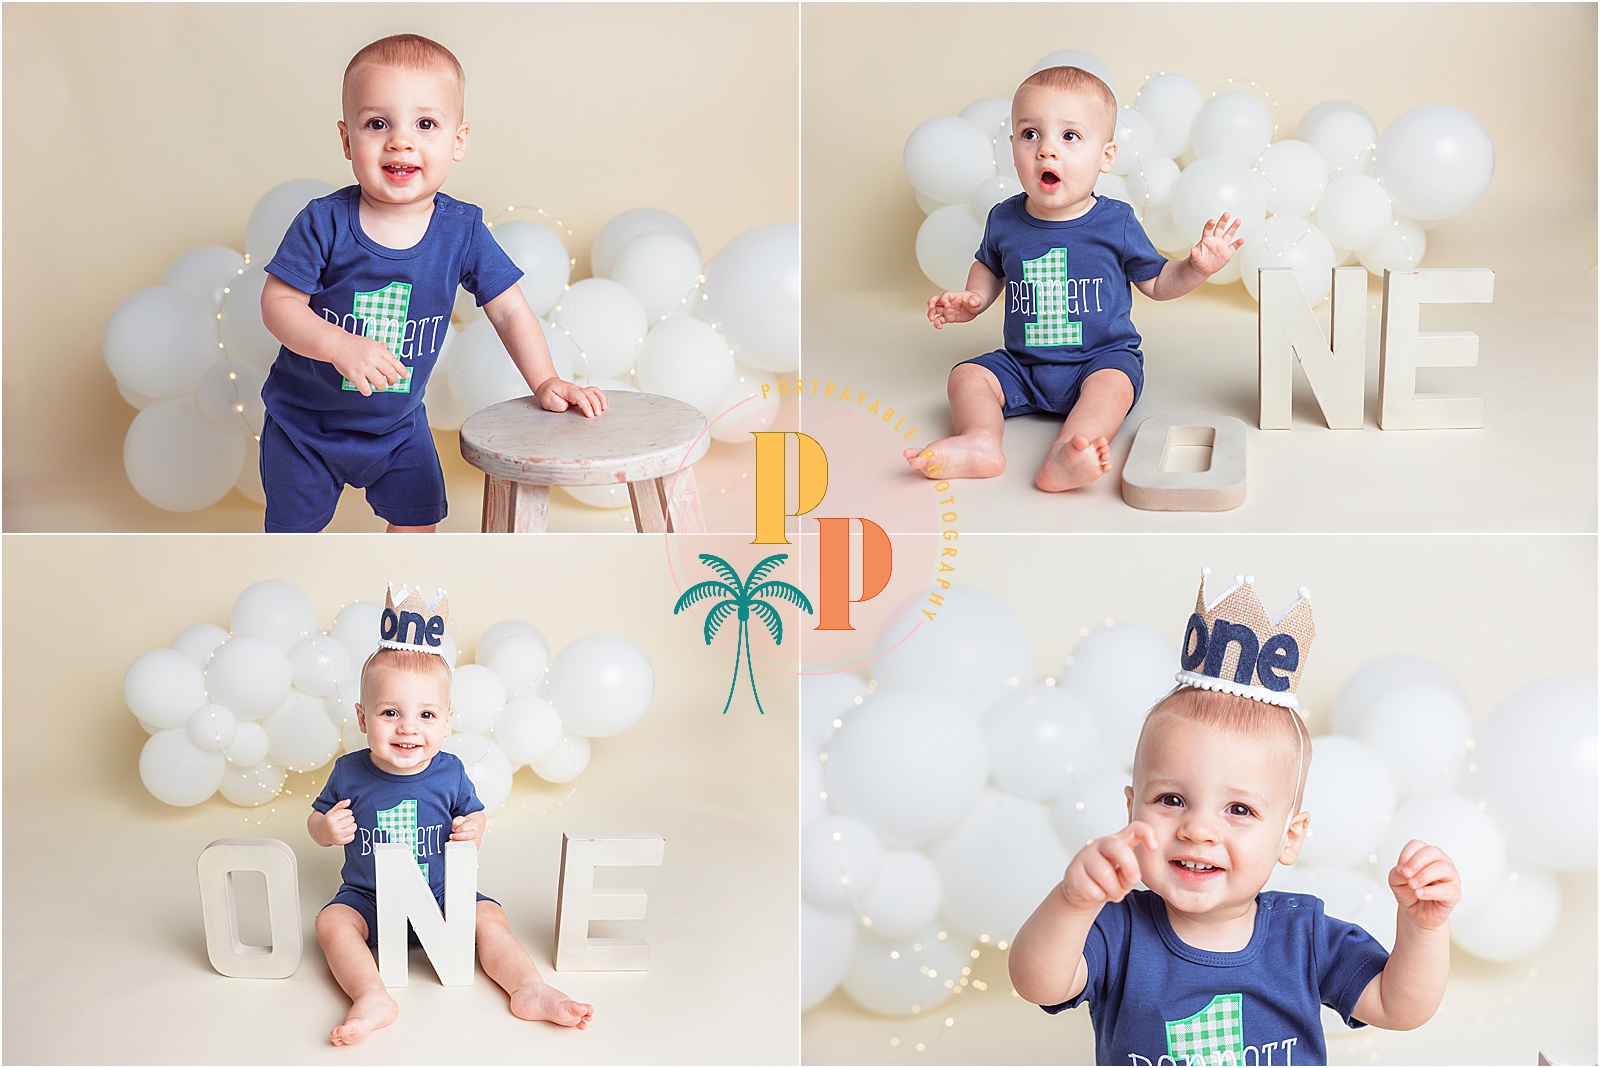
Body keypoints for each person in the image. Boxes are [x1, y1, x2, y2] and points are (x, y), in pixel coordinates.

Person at [1009, 572, 1459, 1063]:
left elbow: (1399, 1006)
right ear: (1130, 809)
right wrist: (1073, 902)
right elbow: (1040, 985)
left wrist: (1423, 930)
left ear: (1289, 838)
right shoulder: (1118, 928)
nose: (1197, 830)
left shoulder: (1301, 935)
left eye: (1239, 809)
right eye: (1171, 800)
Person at [260, 34, 605, 532]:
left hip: (397, 428)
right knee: (292, 543)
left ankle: (403, 611)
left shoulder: (460, 230)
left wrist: (546, 380)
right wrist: (339, 345)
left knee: (419, 532)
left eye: (425, 124)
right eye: (377, 124)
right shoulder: (324, 223)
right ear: (346, 139)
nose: (401, 141)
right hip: (305, 427)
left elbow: (509, 311)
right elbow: (278, 303)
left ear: (458, 140)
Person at [906, 65, 1242, 492]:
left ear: (1106, 155)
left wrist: (1195, 268)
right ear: (1013, 148)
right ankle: (979, 441)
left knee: (1112, 389)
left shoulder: (1115, 222)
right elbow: (989, 265)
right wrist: (974, 297)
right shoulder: (1004, 218)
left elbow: (1157, 282)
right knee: (966, 376)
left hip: (1098, 360)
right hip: (1023, 365)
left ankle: (1067, 454)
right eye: (1031, 134)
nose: (1047, 150)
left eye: (1069, 137)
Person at [309, 585, 592, 1045]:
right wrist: (325, 827)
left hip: (442, 898)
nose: (408, 727)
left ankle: (529, 989)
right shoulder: (348, 772)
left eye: (425, 714)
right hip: (370, 898)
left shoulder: (450, 772)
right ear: (362, 718)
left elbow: (475, 813)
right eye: (389, 712)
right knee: (330, 924)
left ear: (447, 719)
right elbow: (315, 821)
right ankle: (371, 996)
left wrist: (472, 829)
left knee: (490, 919)